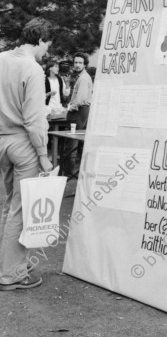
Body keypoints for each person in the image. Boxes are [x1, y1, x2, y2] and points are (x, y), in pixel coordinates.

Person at [0, 18, 53, 290]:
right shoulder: (32, 68)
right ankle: (10, 273)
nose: (46, 52)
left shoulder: (1, 59)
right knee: (20, 210)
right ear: (42, 40)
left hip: (2, 141)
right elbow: (34, 118)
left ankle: (7, 263)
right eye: (47, 45)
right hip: (23, 144)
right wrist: (43, 153)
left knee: (9, 205)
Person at [64, 52, 93, 178]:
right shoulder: (81, 77)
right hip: (81, 111)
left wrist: (70, 108)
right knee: (74, 143)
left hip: (78, 111)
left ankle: (68, 174)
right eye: (75, 62)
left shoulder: (83, 78)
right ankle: (71, 173)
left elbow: (80, 99)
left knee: (72, 144)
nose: (77, 65)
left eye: (80, 62)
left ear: (85, 65)